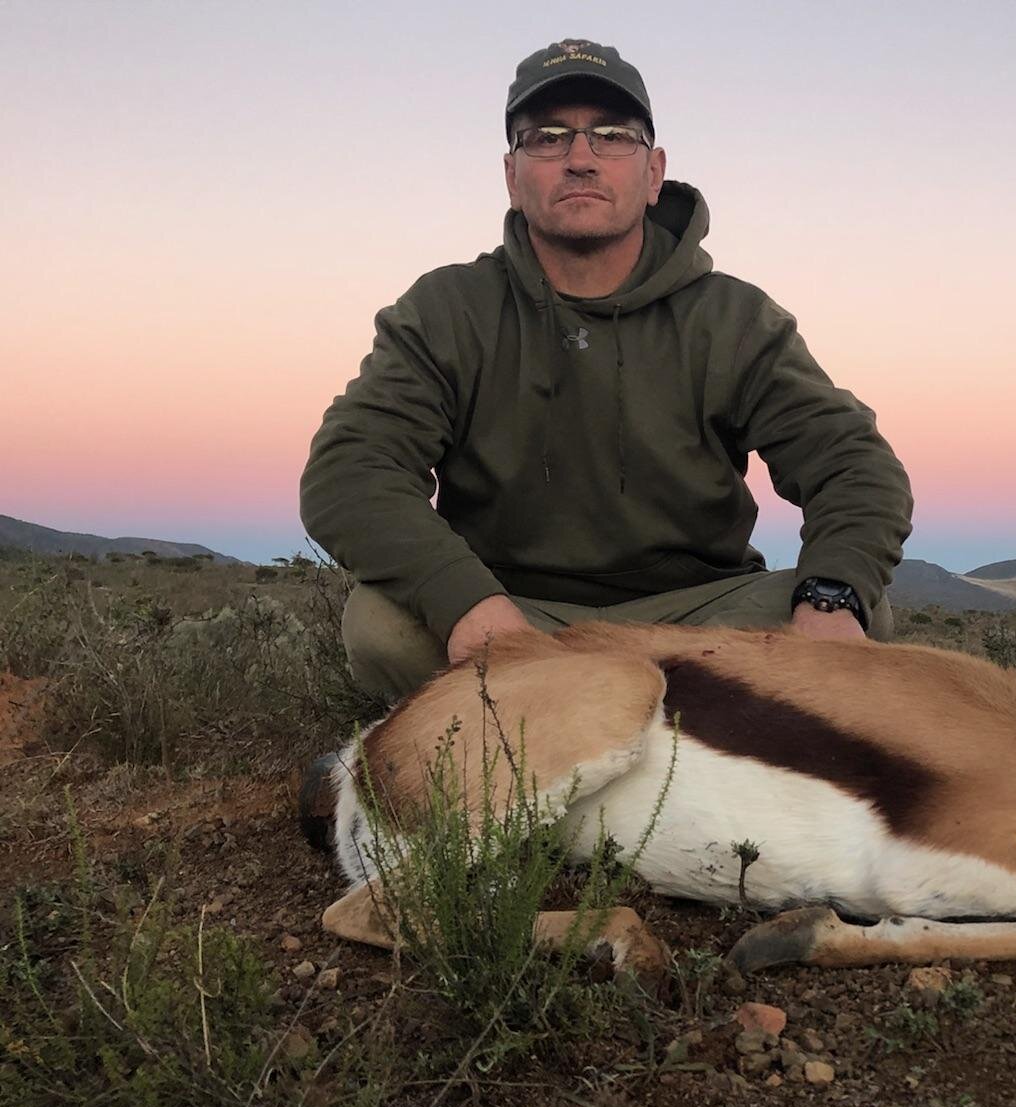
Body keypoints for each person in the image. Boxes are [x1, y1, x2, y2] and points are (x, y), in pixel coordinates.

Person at [300, 38, 913, 703]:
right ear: (512, 175)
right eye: (548, 138)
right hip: (513, 615)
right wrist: (466, 603)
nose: (581, 159)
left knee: (859, 615)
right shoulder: (447, 309)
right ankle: (640, 758)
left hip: (701, 617)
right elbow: (352, 469)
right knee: (383, 627)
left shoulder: (734, 318)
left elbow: (852, 461)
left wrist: (828, 598)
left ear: (653, 173)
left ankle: (567, 749)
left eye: (612, 137)